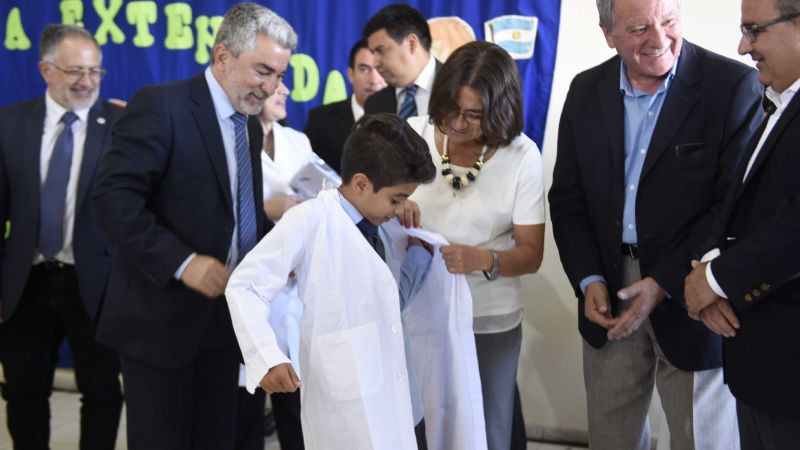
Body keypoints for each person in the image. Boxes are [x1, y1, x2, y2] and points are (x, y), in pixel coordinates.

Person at [548, 0, 764, 448]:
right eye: (639, 28)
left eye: (668, 21)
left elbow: (732, 205)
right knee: (611, 437)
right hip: (609, 287)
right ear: (608, 35)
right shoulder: (585, 91)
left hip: (693, 285)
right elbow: (568, 199)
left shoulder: (732, 85)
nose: (660, 39)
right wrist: (588, 278)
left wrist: (664, 281)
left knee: (701, 439)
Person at [91, 3, 296, 449]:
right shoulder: (161, 105)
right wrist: (182, 263)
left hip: (228, 323)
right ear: (223, 56)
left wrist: (283, 255)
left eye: (279, 76)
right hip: (160, 322)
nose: (272, 87)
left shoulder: (249, 125)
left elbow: (238, 215)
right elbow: (112, 198)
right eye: (263, 71)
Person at [226, 113, 487, 450]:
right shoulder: (310, 220)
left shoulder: (387, 227)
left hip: (404, 400)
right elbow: (245, 286)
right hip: (346, 409)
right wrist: (267, 356)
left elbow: (392, 299)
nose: (400, 207)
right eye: (396, 198)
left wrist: (417, 250)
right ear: (362, 183)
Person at [407, 41, 545, 450]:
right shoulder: (413, 134)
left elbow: (531, 254)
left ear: (500, 111)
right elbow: (369, 206)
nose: (458, 124)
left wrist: (480, 258)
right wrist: (395, 206)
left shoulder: (522, 156)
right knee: (416, 424)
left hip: (490, 317)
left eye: (474, 116)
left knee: (487, 429)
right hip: (417, 311)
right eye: (451, 109)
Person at [0, 23, 123, 450]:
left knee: (103, 393)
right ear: (45, 70)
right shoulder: (9, 124)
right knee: (23, 393)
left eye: (95, 71)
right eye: (75, 72)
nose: (87, 82)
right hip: (24, 283)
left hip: (97, 285)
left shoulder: (122, 125)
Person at [684, 0, 800, 446]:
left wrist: (715, 280)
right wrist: (709, 268)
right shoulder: (776, 101)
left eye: (754, 31)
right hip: (759, 363)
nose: (741, 45)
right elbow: (736, 200)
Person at [235, 79, 310, 450]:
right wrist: (271, 209)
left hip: (294, 291)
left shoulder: (298, 142)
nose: (284, 92)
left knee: (296, 412)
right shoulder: (232, 141)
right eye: (276, 82)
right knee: (244, 408)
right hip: (249, 281)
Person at [304, 39, 386, 173]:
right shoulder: (320, 120)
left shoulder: (404, 117)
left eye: (380, 69)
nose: (374, 80)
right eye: (364, 69)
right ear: (351, 74)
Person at [362, 3, 441, 119]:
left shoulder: (459, 86)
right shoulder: (374, 105)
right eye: (373, 53)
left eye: (381, 50)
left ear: (412, 43)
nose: (375, 63)